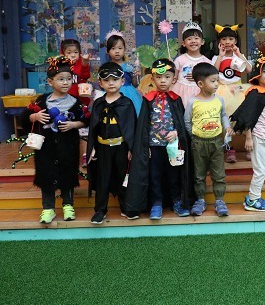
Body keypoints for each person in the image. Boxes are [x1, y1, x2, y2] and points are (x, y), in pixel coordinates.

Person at [21, 56, 90, 224]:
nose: (66, 83)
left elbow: (85, 120)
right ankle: (48, 208)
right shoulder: (41, 101)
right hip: (46, 149)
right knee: (46, 176)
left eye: (69, 79)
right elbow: (25, 117)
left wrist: (73, 124)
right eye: (61, 79)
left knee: (68, 175)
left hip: (68, 147)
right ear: (50, 81)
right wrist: (35, 116)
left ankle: (68, 206)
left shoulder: (76, 102)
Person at [125, 59, 192, 220]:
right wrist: (144, 146)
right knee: (154, 175)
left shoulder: (176, 99)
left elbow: (182, 123)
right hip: (153, 146)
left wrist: (176, 132)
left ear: (173, 79)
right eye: (159, 77)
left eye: (167, 77)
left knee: (174, 175)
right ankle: (156, 203)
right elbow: (143, 125)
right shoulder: (148, 100)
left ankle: (177, 201)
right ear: (152, 79)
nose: (163, 81)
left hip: (173, 146)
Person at [86, 62, 137, 224]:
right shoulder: (98, 103)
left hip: (121, 147)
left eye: (115, 79)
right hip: (102, 147)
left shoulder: (127, 103)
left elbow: (131, 128)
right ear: (100, 83)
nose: (111, 83)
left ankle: (126, 207)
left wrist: (131, 148)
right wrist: (93, 147)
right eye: (106, 80)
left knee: (123, 177)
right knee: (103, 179)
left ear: (122, 81)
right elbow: (94, 128)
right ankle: (100, 210)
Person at [231, 57, 265, 212]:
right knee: (260, 169)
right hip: (257, 135)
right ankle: (253, 200)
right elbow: (248, 115)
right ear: (258, 74)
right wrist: (248, 138)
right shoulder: (255, 92)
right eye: (264, 71)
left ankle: (254, 196)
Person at [184, 62, 232, 216]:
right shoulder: (193, 102)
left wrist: (227, 127)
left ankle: (219, 201)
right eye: (213, 81)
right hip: (198, 143)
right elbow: (187, 121)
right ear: (200, 84)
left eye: (217, 80)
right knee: (199, 175)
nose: (216, 84)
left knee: (219, 174)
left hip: (217, 142)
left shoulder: (219, 100)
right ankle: (200, 200)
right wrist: (194, 136)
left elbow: (223, 115)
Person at [211, 23, 252, 163]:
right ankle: (230, 149)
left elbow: (249, 69)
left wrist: (239, 54)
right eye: (223, 39)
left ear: (236, 40)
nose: (227, 42)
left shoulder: (239, 56)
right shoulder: (216, 57)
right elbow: (213, 72)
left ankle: (249, 146)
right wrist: (220, 56)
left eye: (230, 39)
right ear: (219, 41)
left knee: (244, 118)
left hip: (238, 90)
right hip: (221, 90)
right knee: (226, 121)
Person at [173, 21, 213, 107]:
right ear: (183, 43)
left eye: (196, 38)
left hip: (199, 92)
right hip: (181, 92)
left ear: (202, 42)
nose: (193, 41)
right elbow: (174, 77)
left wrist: (197, 76)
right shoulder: (179, 60)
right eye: (189, 39)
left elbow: (210, 79)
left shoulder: (207, 62)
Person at [105, 29, 143, 115]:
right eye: (113, 48)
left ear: (124, 49)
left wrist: (135, 76)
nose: (117, 51)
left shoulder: (129, 67)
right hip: (112, 93)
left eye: (120, 48)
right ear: (107, 51)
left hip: (130, 94)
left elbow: (135, 84)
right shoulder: (107, 67)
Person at [60, 39, 91, 106]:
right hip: (65, 100)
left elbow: (86, 76)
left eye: (76, 52)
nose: (73, 55)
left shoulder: (82, 63)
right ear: (63, 54)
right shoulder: (60, 66)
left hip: (81, 99)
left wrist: (85, 64)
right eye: (69, 53)